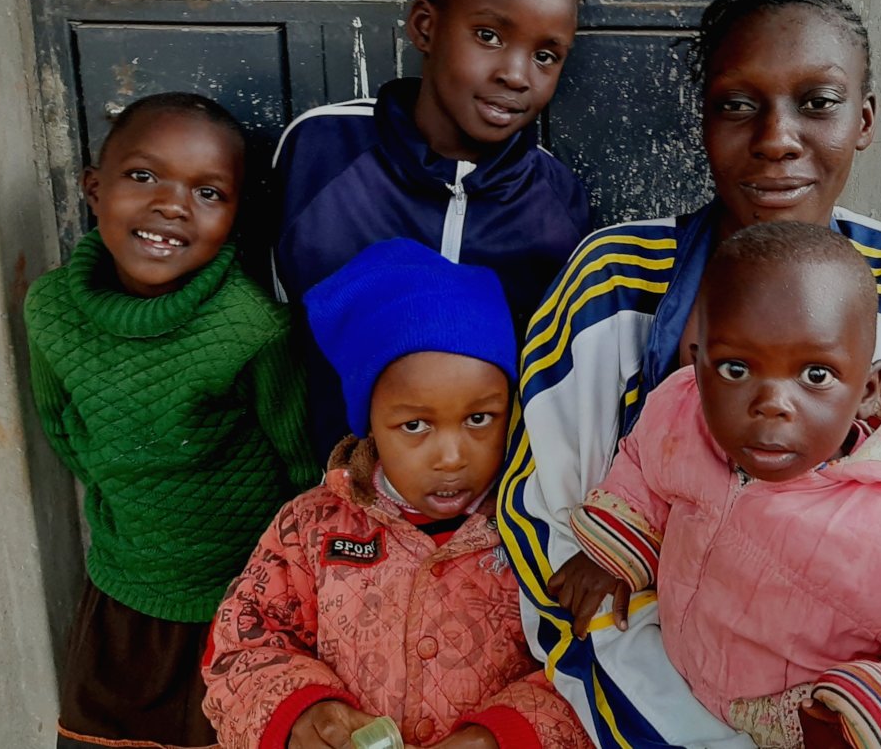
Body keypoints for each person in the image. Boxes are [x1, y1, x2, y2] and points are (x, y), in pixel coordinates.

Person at [497, 0, 881, 748]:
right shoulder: (611, 284)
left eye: (818, 102)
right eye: (737, 105)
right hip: (631, 712)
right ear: (702, 120)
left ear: (863, 120)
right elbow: (552, 543)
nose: (776, 139)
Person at [554, 221, 881, 748]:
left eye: (815, 375)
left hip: (787, 723)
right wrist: (615, 549)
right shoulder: (682, 411)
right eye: (736, 369)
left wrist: (866, 715)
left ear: (867, 389)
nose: (771, 402)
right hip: (670, 676)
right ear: (698, 368)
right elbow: (646, 464)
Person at [201, 239, 593, 749]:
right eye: (414, 425)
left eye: (480, 418)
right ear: (370, 427)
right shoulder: (312, 528)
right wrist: (304, 713)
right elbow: (241, 642)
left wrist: (501, 736)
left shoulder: (545, 525)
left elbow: (597, 661)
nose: (451, 456)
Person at [23, 92, 316, 748]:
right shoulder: (50, 310)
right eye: (143, 175)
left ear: (236, 217)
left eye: (209, 192)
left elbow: (299, 463)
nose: (173, 205)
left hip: (238, 598)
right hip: (124, 590)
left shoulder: (251, 329)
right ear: (94, 190)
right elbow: (64, 428)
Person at [274, 0, 589, 460]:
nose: (516, 74)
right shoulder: (321, 149)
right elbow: (276, 326)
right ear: (425, 26)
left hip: (485, 510)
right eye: (489, 36)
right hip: (336, 498)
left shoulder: (556, 201)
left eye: (545, 55)